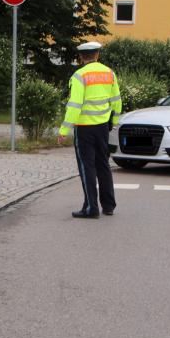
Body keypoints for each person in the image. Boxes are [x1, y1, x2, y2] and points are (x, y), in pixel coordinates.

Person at [57, 41, 122, 219]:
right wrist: (113, 121)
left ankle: (91, 208)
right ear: (97, 55)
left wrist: (64, 130)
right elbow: (116, 100)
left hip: (84, 128)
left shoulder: (79, 75)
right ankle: (108, 206)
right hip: (102, 127)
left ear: (81, 57)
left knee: (87, 167)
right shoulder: (109, 73)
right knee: (103, 165)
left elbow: (75, 105)